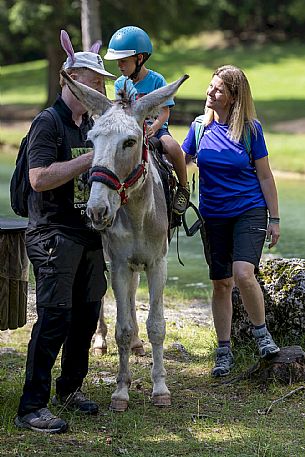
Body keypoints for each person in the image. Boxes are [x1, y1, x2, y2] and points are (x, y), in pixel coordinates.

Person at [14, 30, 116, 433]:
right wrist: (89, 159)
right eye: (95, 85)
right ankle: (31, 407)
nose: (100, 91)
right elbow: (38, 178)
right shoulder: (48, 123)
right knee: (55, 317)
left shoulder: (88, 124)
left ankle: (70, 389)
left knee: (87, 315)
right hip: (51, 235)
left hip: (88, 236)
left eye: (102, 85)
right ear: (71, 81)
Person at [182, 65, 280, 377]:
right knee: (221, 283)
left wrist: (275, 218)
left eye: (218, 89)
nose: (210, 93)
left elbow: (265, 176)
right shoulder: (199, 128)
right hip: (213, 215)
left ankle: (261, 335)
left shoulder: (251, 130)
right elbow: (179, 160)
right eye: (210, 87)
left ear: (234, 96)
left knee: (242, 273)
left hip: (249, 210)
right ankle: (224, 351)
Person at [104, 25, 190, 215]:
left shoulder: (157, 80)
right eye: (118, 62)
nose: (119, 66)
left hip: (155, 129)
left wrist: (155, 128)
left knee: (174, 148)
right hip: (130, 132)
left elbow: (164, 112)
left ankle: (183, 188)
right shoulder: (120, 83)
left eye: (123, 61)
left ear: (139, 58)